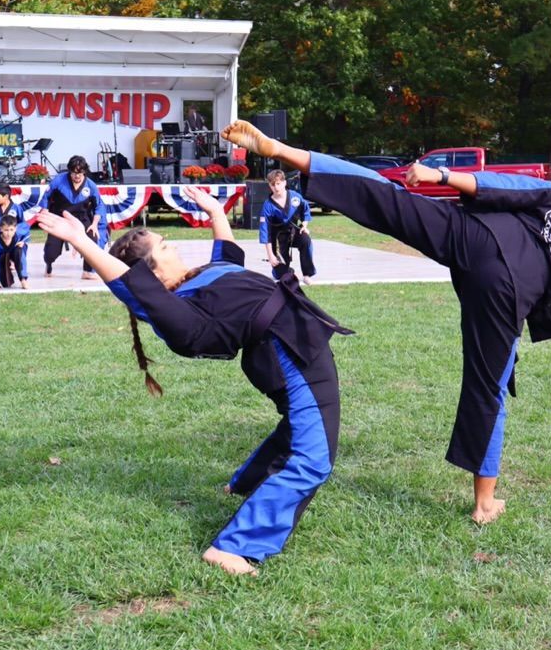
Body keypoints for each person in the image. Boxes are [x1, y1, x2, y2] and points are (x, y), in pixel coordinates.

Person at [220, 118, 551, 525]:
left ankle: (284, 152)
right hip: (508, 294)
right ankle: (485, 502)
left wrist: (440, 178)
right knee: (488, 386)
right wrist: (526, 313)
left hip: (474, 239)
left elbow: (500, 185)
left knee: (389, 199)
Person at [33, 185, 351, 576]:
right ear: (152, 271)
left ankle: (244, 484)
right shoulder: (179, 308)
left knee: (300, 427)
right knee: (314, 460)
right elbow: (132, 287)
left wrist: (217, 213)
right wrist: (83, 243)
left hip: (294, 342)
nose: (175, 246)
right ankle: (234, 547)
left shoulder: (199, 278)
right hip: (289, 352)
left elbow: (228, 254)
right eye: (165, 246)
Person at [38, 155, 104, 279]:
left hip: (81, 218)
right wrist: (45, 211)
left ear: (84, 171)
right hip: (60, 217)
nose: (77, 176)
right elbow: (46, 197)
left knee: (93, 237)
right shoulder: (58, 180)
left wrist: (94, 224)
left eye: (80, 173)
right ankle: (49, 263)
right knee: (52, 250)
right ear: (69, 171)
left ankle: (87, 271)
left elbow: (99, 206)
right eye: (74, 173)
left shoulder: (91, 186)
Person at [259, 169, 316, 284]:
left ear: (284, 183)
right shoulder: (268, 206)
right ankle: (287, 271)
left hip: (294, 232)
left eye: (278, 183)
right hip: (278, 239)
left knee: (306, 240)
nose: (276, 187)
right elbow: (265, 232)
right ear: (270, 186)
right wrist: (270, 255)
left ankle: (307, 274)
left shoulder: (295, 197)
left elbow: (305, 211)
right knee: (281, 275)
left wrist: (304, 226)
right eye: (273, 185)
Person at [0, 212, 30, 289]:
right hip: (3, 256)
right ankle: (3, 275)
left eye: (11, 230)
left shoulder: (19, 231)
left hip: (15, 252)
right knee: (6, 284)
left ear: (15, 228)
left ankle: (23, 279)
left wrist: (24, 241)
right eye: (6, 230)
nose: (9, 233)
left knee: (19, 250)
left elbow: (27, 228)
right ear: (1, 229)